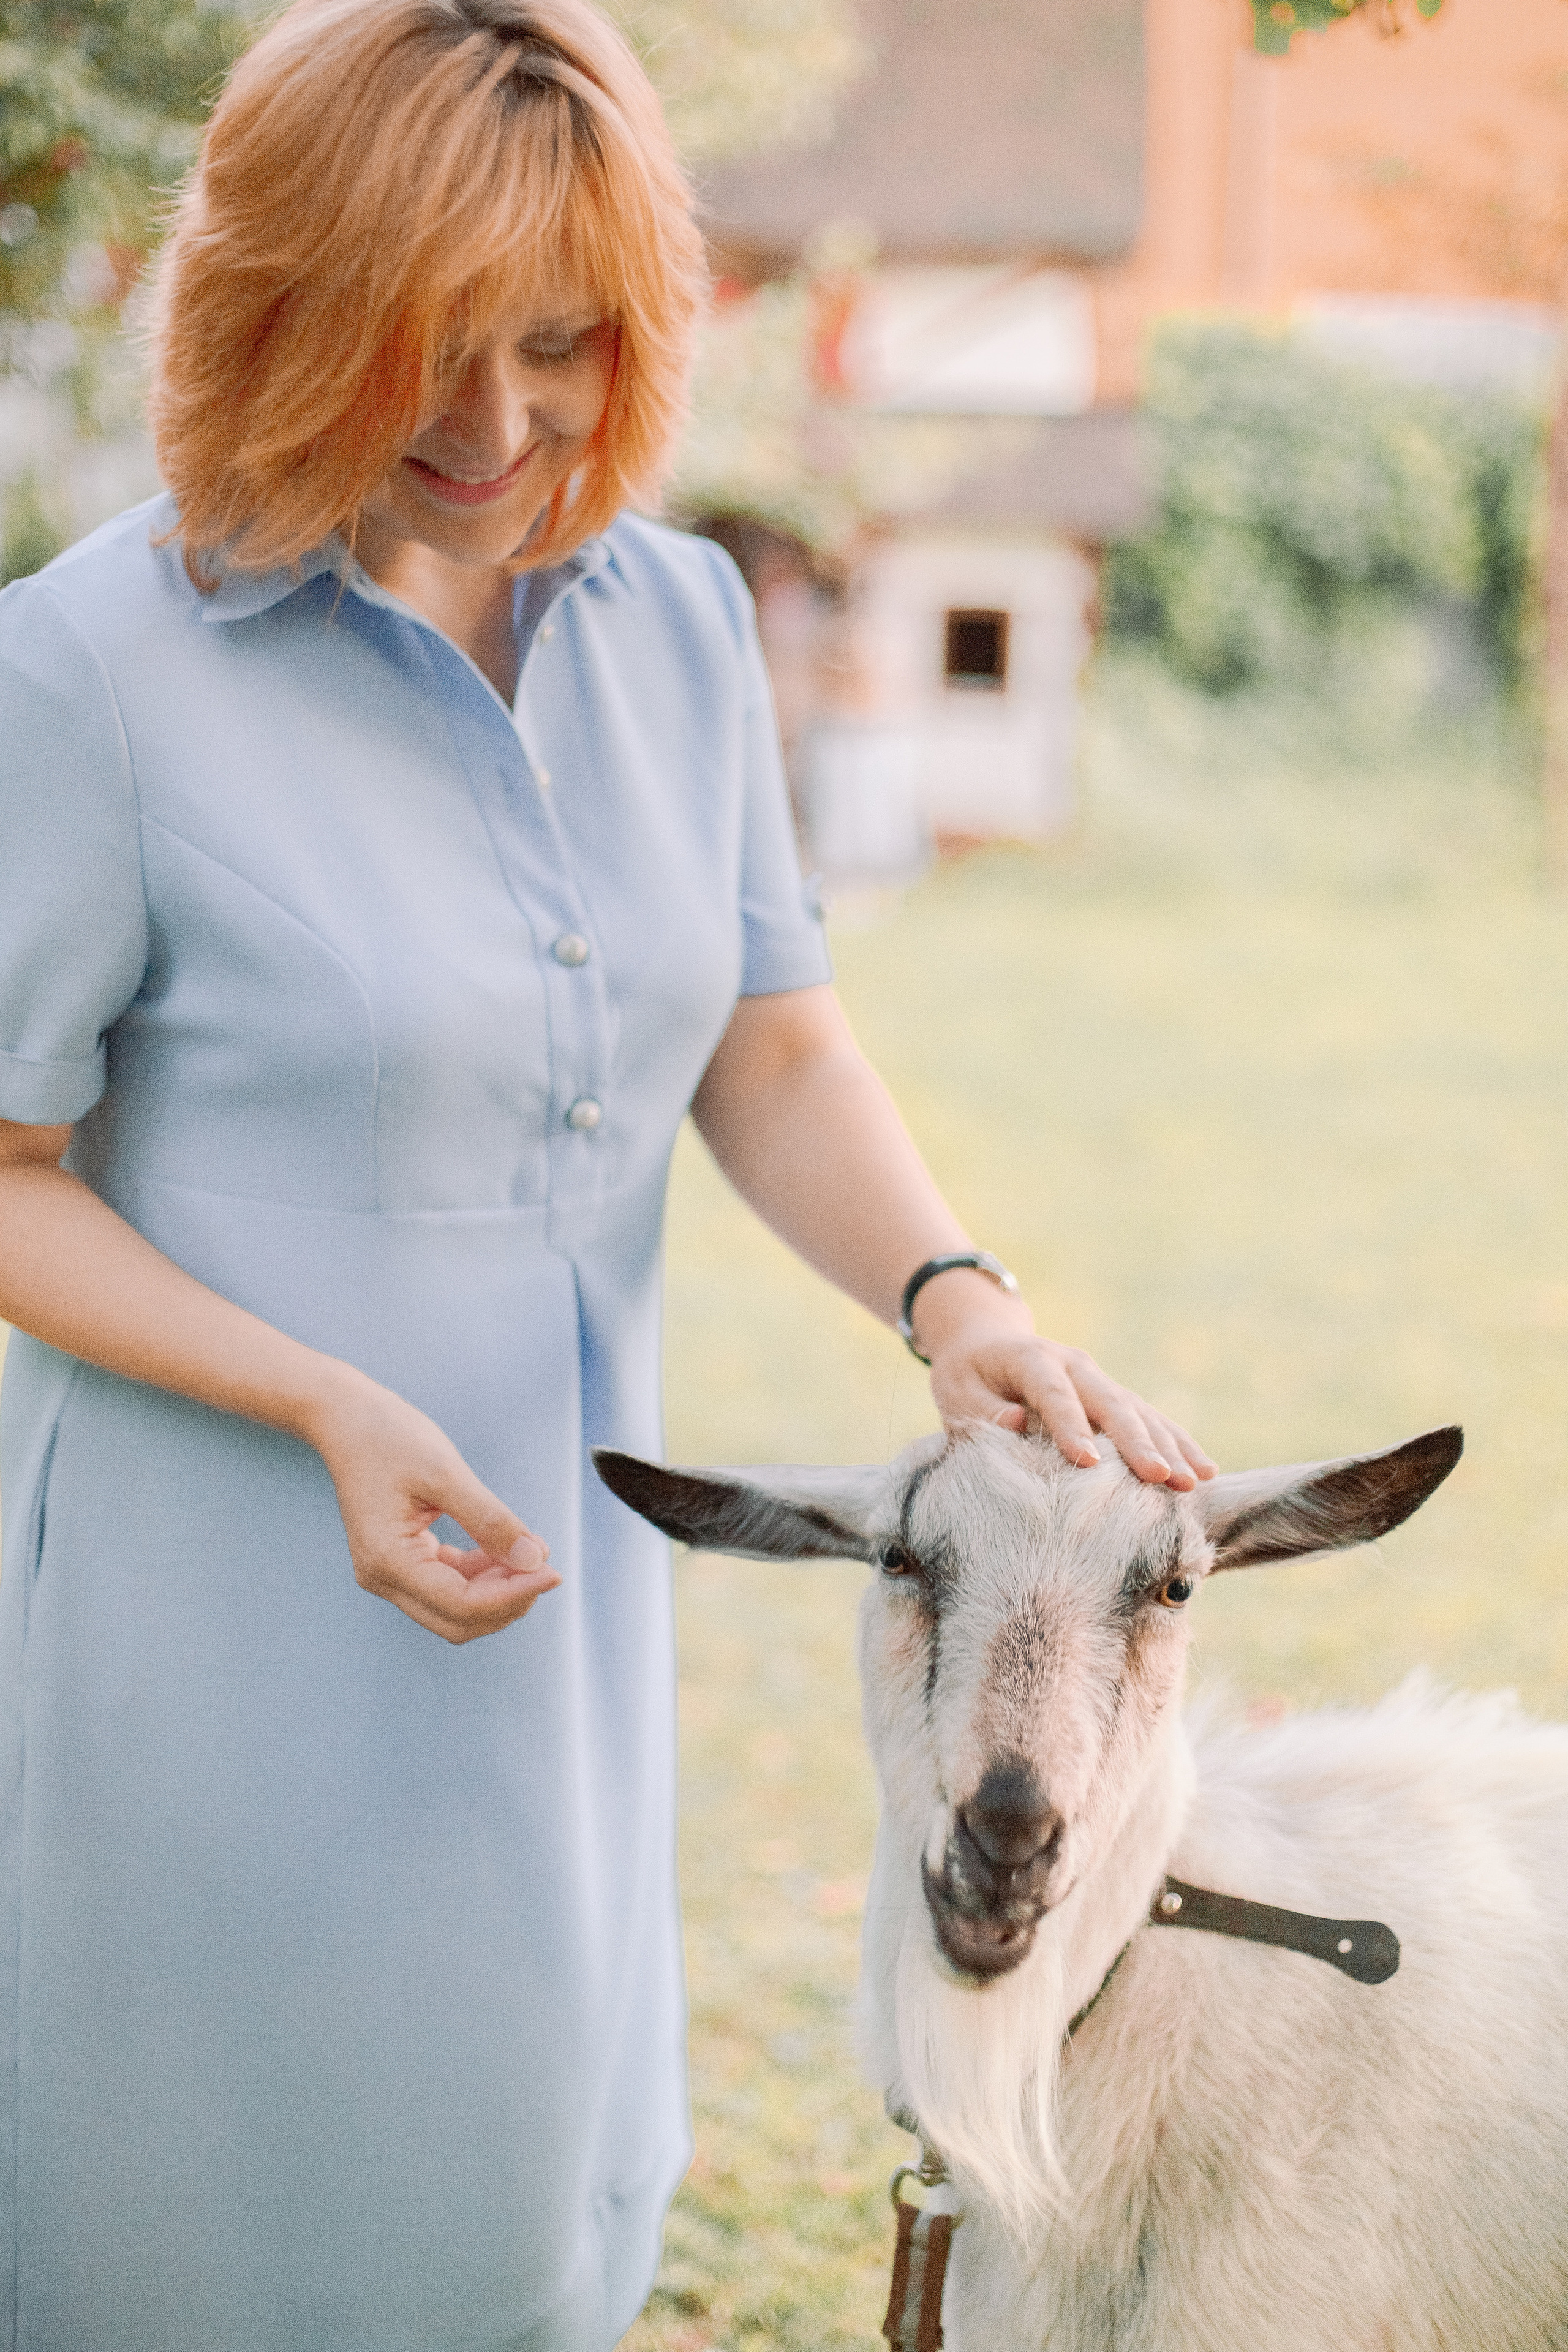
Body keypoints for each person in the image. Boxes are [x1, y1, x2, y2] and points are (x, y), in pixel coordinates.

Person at [0, 1, 1214, 2344]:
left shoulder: (671, 626)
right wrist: (328, 1406)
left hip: (554, 1587)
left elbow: (766, 1041)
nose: (491, 427)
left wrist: (955, 1298)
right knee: (194, 2213)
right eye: (420, 349)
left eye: (554, 347)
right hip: (217, 1587)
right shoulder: (91, 671)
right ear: (281, 309)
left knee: (517, 2199)